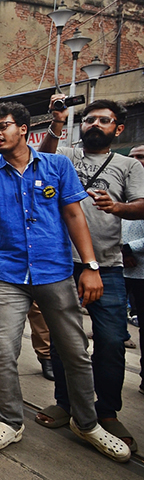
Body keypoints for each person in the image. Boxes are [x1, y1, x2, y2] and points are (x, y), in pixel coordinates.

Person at [0, 101, 130, 462]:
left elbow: (74, 214)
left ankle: (86, 423)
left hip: (54, 271)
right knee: (3, 350)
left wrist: (90, 265)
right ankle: (11, 420)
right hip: (8, 275)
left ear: (23, 129)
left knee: (74, 351)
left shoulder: (56, 165)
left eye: (2, 126)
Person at [36, 96, 144, 451]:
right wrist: (57, 121)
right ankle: (66, 403)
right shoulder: (66, 155)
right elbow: (43, 156)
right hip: (61, 263)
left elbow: (141, 205)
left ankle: (107, 411)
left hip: (108, 265)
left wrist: (119, 206)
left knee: (112, 341)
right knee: (67, 339)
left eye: (104, 120)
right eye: (89, 120)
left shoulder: (129, 166)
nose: (95, 125)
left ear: (118, 128)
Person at [122, 145, 144, 396]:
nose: (136, 162)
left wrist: (130, 248)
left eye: (140, 157)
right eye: (132, 157)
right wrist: (122, 251)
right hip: (120, 266)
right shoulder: (123, 190)